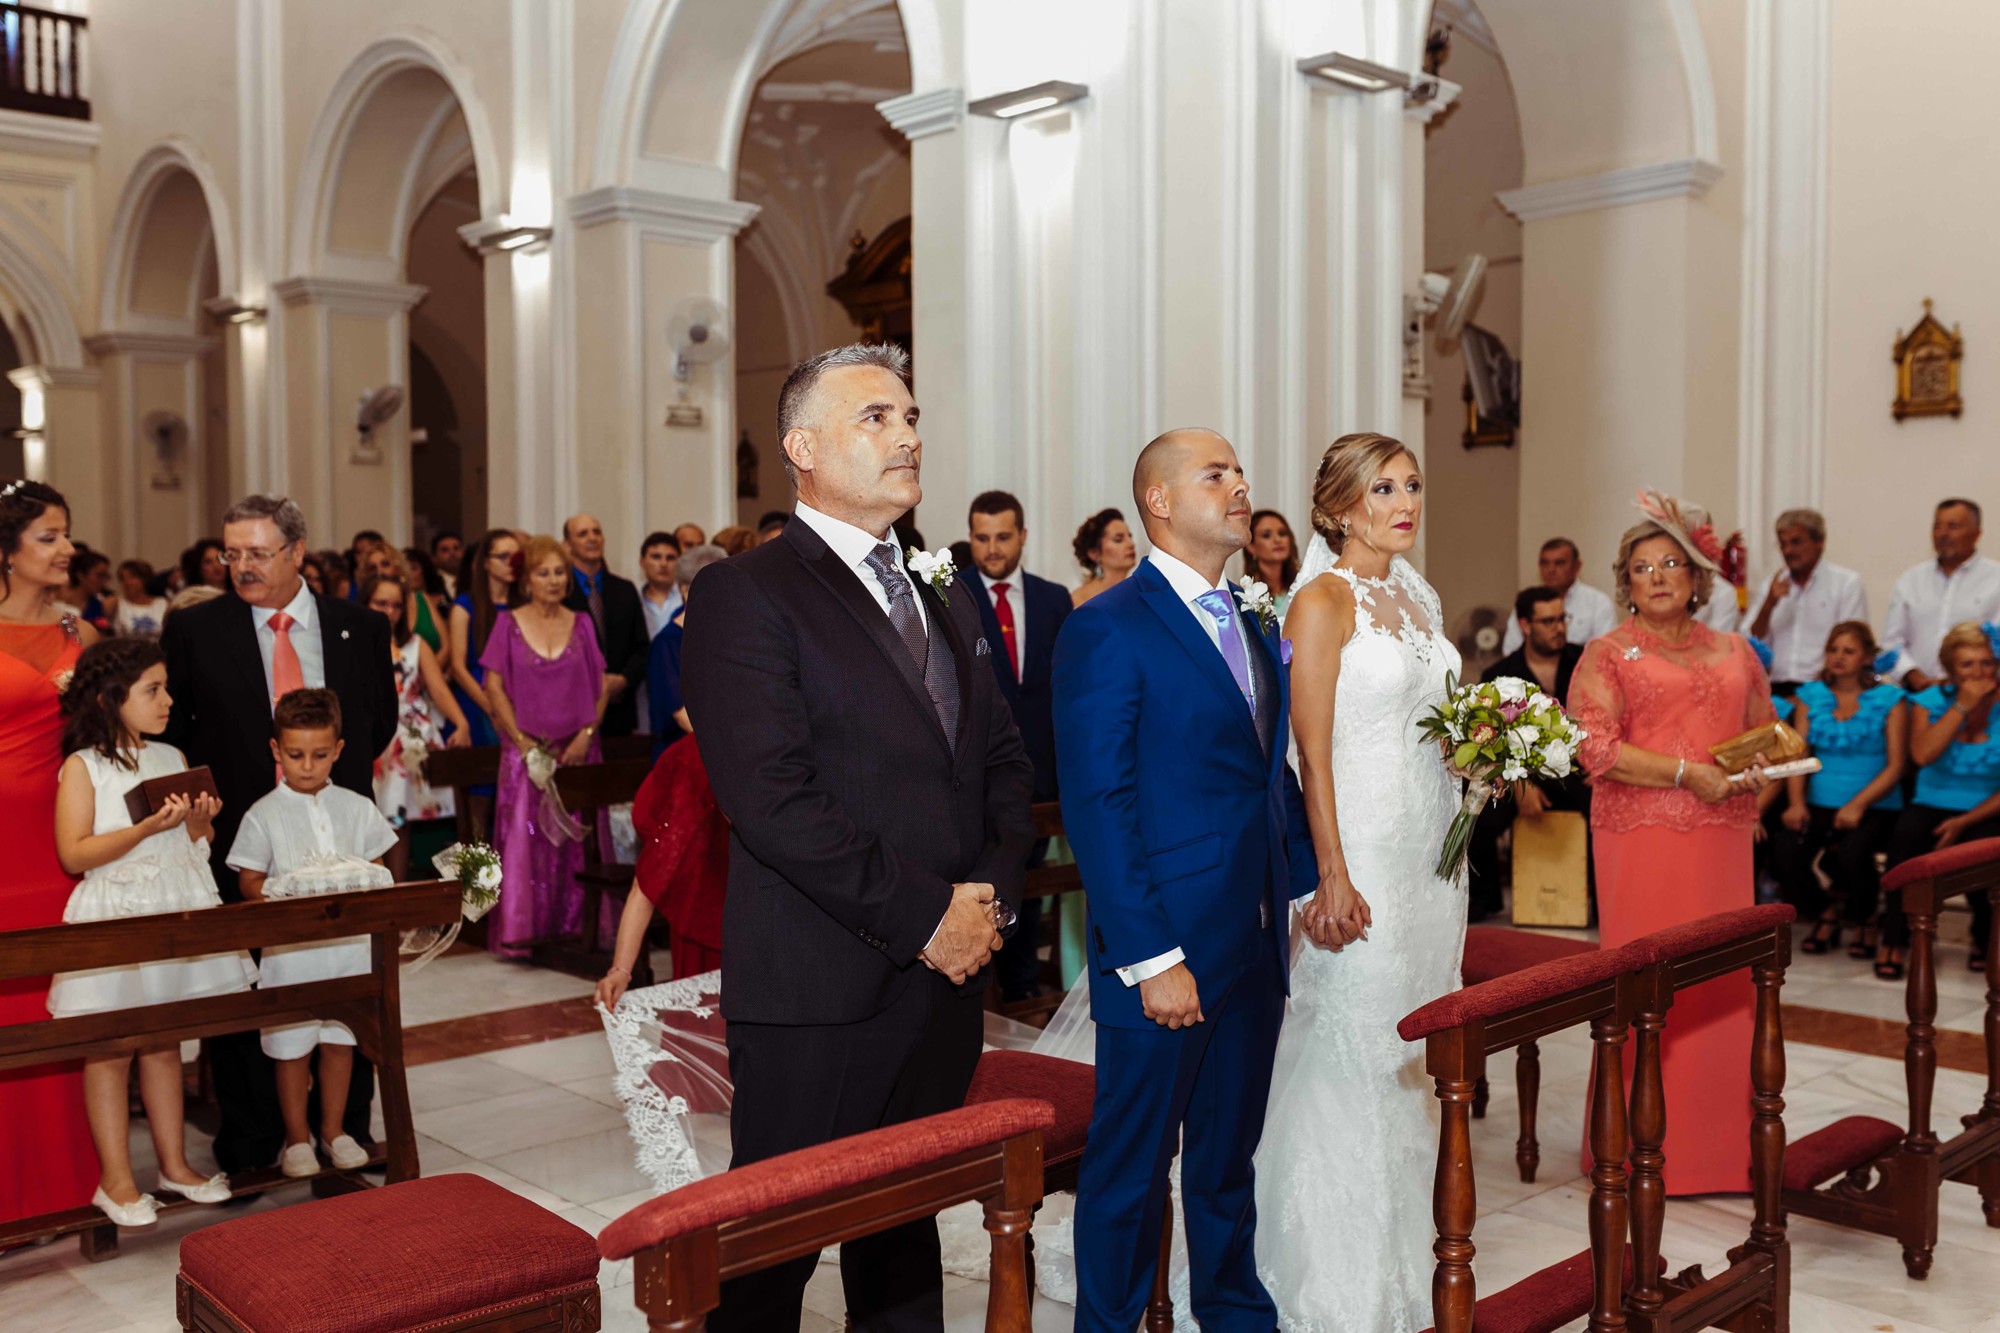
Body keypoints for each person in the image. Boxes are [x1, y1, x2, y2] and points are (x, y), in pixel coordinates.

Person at [679, 342, 1033, 1333]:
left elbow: (1002, 762)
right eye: (875, 417)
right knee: (768, 1261)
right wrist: (927, 916)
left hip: (944, 981)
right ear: (802, 447)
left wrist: (987, 900)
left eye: (910, 416)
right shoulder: (745, 592)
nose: (907, 434)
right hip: (819, 988)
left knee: (904, 1245)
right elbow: (772, 799)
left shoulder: (941, 582)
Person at [1053, 427, 1320, 1331]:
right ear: (1160, 501)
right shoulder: (1106, 627)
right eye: (1216, 474)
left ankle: (1236, 1312)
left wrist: (1303, 886)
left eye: (1240, 471)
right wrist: (1151, 954)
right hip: (1165, 944)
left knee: (1226, 1159)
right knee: (1130, 1168)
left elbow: (1265, 772)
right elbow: (1099, 803)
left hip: (1253, 935)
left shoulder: (1251, 617)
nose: (1240, 485)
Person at [1231, 433, 1457, 1327]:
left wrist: (1477, 760)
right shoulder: (1321, 599)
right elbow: (1306, 751)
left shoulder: (1420, 594)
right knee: (1352, 1047)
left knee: (1417, 1055)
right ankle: (1328, 1281)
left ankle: (1413, 1258)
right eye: (1382, 488)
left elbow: (1431, 723)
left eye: (1412, 484)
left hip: (1431, 862)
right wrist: (1328, 871)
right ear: (1338, 507)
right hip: (1358, 856)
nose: (1405, 503)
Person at [160, 493, 396, 1173]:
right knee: (250, 987)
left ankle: (344, 1128)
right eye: (231, 553)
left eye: (258, 553)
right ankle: (257, 1138)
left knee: (345, 982)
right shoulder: (196, 629)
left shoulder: (358, 626)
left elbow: (376, 724)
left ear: (297, 551)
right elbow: (179, 733)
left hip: (336, 834)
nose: (242, 566)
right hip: (242, 836)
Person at [1568, 492, 1776, 1194]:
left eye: (1670, 564)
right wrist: (1690, 775)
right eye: (1641, 567)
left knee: (1723, 983)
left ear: (1696, 577)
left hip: (1723, 839)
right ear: (1624, 582)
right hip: (1642, 838)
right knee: (1650, 986)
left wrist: (1757, 770)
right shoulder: (1606, 653)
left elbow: (1763, 731)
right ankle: (1631, 1147)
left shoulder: (1736, 650)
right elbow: (1594, 747)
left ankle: (1722, 1150)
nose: (1656, 576)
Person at [48, 638, 254, 1225]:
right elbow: (73, 853)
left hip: (170, 908)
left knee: (167, 1041)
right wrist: (141, 830)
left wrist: (198, 825)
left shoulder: (171, 755)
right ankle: (115, 1180)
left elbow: (190, 845)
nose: (167, 701)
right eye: (153, 690)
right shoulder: (84, 765)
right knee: (112, 1048)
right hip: (116, 915)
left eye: (166, 688)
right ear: (110, 699)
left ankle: (175, 1165)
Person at [230, 689, 399, 1177]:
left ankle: (334, 1130)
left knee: (339, 1040)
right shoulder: (263, 813)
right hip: (292, 955)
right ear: (276, 750)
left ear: (339, 750)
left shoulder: (356, 807)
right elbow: (249, 880)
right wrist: (282, 894)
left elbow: (376, 868)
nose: (307, 767)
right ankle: (296, 1138)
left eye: (320, 755)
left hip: (348, 952)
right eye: (296, 755)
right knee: (292, 1048)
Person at [0, 479, 101, 1226]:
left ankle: (66, 1189)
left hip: (60, 844)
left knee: (62, 1001)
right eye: (48, 535)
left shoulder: (81, 634)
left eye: (65, 533)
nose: (66, 547)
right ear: (6, 551)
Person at [963, 489, 1072, 1002]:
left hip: (1042, 774)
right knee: (985, 883)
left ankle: (1024, 988)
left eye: (1003, 537)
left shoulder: (1053, 598)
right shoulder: (951, 593)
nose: (992, 549)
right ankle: (984, 992)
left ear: (1023, 536)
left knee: (1030, 885)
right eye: (981, 538)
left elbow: (1065, 687)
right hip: (978, 776)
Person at [480, 535, 613, 957]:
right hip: (526, 753)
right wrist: (522, 744)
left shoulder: (582, 623)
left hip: (577, 751)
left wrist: (585, 736)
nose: (553, 580)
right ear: (527, 580)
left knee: (577, 842)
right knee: (527, 844)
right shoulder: (508, 623)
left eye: (559, 572)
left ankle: (577, 928)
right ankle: (525, 933)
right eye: (543, 573)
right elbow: (493, 687)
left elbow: (601, 687)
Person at [1777, 621, 1907, 958]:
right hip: (1820, 801)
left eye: (1849, 651)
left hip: (1875, 803)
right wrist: (1795, 803)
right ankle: (1826, 910)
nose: (1838, 657)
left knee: (1853, 854)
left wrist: (1858, 804)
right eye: (1833, 649)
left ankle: (1866, 918)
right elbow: (1798, 755)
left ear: (1867, 658)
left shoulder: (1890, 700)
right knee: (1785, 853)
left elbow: (1897, 765)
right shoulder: (1811, 697)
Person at [1881, 622, 2000, 976]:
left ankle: (1984, 937)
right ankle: (1895, 939)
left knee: (1985, 851)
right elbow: (1922, 755)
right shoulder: (1930, 701)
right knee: (1905, 842)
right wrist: (1961, 706)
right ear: (1950, 668)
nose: (1978, 673)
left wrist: (1963, 822)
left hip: (1986, 807)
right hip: (1931, 801)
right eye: (1967, 664)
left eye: (1986, 663)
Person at [1467, 584, 1589, 920]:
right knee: (1478, 807)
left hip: (1576, 768)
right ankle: (1484, 901)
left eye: (1562, 619)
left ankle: (1597, 895)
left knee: (1603, 802)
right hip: (1519, 774)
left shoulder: (1584, 661)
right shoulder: (1499, 675)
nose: (1559, 627)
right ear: (1525, 625)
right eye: (1548, 621)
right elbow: (1490, 742)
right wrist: (1520, 784)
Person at [361, 571, 471, 879]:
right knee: (371, 818)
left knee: (399, 818)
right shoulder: (352, 640)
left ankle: (398, 891)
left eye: (396, 605)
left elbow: (438, 689)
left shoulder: (414, 644)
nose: (390, 611)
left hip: (407, 737)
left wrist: (461, 722)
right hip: (371, 735)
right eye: (381, 603)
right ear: (365, 602)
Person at [1744, 508, 1868, 696]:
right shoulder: (1771, 586)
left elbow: (1853, 644)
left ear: (1820, 542)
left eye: (1796, 542)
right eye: (1782, 544)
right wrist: (1768, 606)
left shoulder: (1846, 584)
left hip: (1825, 691)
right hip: (1776, 691)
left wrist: (1810, 695)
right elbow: (1750, 642)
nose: (1788, 551)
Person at [1881, 499, 2000, 689]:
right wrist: (1913, 676)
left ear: (1977, 533)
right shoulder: (1911, 580)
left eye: (1953, 526)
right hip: (1917, 693)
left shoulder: (1996, 580)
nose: (1943, 534)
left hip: (1980, 695)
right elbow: (1892, 642)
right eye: (1937, 526)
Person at [562, 512, 649, 738]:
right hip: (572, 709)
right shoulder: (560, 592)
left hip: (620, 709)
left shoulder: (624, 589)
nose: (592, 538)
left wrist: (623, 680)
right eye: (583, 534)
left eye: (597, 532)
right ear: (567, 544)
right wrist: (596, 685)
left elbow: (642, 647)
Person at [646, 544, 725, 756]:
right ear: (685, 590)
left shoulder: (726, 635)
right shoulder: (667, 643)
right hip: (682, 756)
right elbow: (683, 716)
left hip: (720, 750)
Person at [1500, 536, 1619, 654]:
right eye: (1545, 563)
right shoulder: (1527, 602)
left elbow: (1605, 652)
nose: (1551, 569)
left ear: (1577, 566)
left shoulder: (1598, 603)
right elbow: (1510, 650)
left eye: (1559, 563)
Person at [635, 532, 683, 737]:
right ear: (642, 562)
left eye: (670, 558)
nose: (663, 564)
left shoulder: (687, 602)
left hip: (682, 688)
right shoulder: (632, 602)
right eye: (656, 557)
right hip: (643, 692)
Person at [1071, 507, 1138, 607]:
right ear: (1094, 553)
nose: (1131, 544)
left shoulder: (1140, 592)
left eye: (1130, 536)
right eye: (1118, 539)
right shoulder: (1077, 601)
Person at [1243, 507, 1301, 614]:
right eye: (1266, 535)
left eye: (1282, 533)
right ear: (1251, 546)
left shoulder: (1302, 586)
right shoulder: (1247, 596)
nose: (1277, 540)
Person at [112, 559, 169, 639]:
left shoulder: (163, 604)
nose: (127, 582)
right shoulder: (115, 603)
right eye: (122, 578)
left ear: (145, 579)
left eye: (132, 577)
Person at [429, 530, 464, 596]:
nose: (452, 553)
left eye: (456, 548)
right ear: (434, 558)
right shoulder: (430, 584)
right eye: (445, 550)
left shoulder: (473, 581)